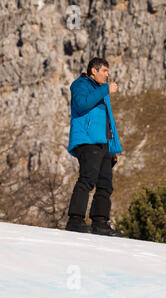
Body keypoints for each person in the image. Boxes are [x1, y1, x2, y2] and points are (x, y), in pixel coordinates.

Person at [65, 57, 123, 236]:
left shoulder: (100, 90)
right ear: (94, 71)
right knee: (87, 179)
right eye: (104, 71)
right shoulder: (80, 84)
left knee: (105, 184)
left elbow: (108, 122)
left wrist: (113, 148)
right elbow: (82, 104)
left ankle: (100, 223)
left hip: (103, 143)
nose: (107, 75)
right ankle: (75, 220)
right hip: (87, 141)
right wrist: (106, 89)